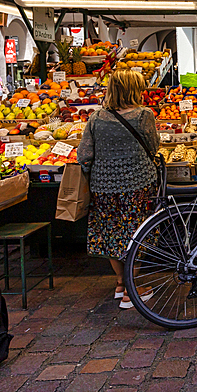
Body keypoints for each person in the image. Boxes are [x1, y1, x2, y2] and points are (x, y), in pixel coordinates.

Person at [78, 69, 160, 310]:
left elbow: (84, 154)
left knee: (112, 235)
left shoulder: (96, 117)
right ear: (133, 90)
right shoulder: (144, 115)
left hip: (103, 186)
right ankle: (132, 290)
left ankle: (120, 283)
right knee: (137, 234)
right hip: (137, 184)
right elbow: (153, 146)